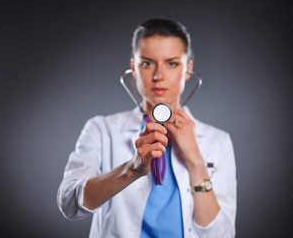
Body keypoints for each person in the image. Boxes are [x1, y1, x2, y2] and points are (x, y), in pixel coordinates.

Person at [57, 18, 237, 238]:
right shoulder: (102, 129)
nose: (158, 76)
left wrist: (196, 161)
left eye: (172, 63)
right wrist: (132, 169)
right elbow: (68, 204)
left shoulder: (217, 141)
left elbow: (222, 235)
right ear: (133, 67)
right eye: (147, 63)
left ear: (188, 68)